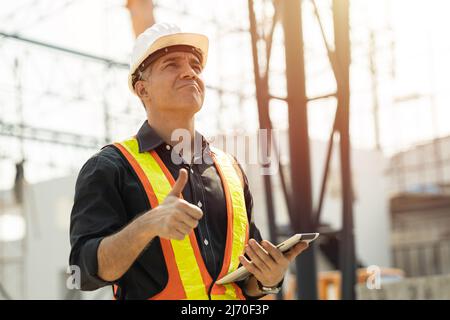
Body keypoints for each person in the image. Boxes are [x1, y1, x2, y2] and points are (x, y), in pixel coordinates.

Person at [69, 22, 308, 300]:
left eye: (195, 65)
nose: (190, 72)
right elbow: (81, 272)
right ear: (142, 89)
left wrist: (270, 279)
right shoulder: (111, 167)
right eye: (171, 64)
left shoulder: (230, 170)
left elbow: (247, 281)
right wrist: (148, 224)